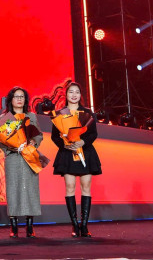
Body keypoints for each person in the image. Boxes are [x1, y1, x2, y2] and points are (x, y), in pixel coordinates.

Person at [51, 79, 101, 238]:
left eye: (77, 92)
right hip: (67, 153)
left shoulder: (88, 113)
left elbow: (93, 134)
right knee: (70, 186)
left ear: (80, 95)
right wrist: (65, 145)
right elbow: (54, 136)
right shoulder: (60, 114)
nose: (74, 95)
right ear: (66, 94)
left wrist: (83, 141)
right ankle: (74, 225)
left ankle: (84, 225)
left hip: (85, 152)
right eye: (71, 92)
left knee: (86, 186)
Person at [0, 86, 42, 238]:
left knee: (31, 188)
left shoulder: (31, 116)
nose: (19, 99)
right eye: (16, 96)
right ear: (11, 100)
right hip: (13, 157)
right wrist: (11, 147)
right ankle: (14, 225)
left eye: (22, 96)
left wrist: (32, 144)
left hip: (29, 156)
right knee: (13, 189)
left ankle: (30, 225)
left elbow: (38, 135)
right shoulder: (4, 118)